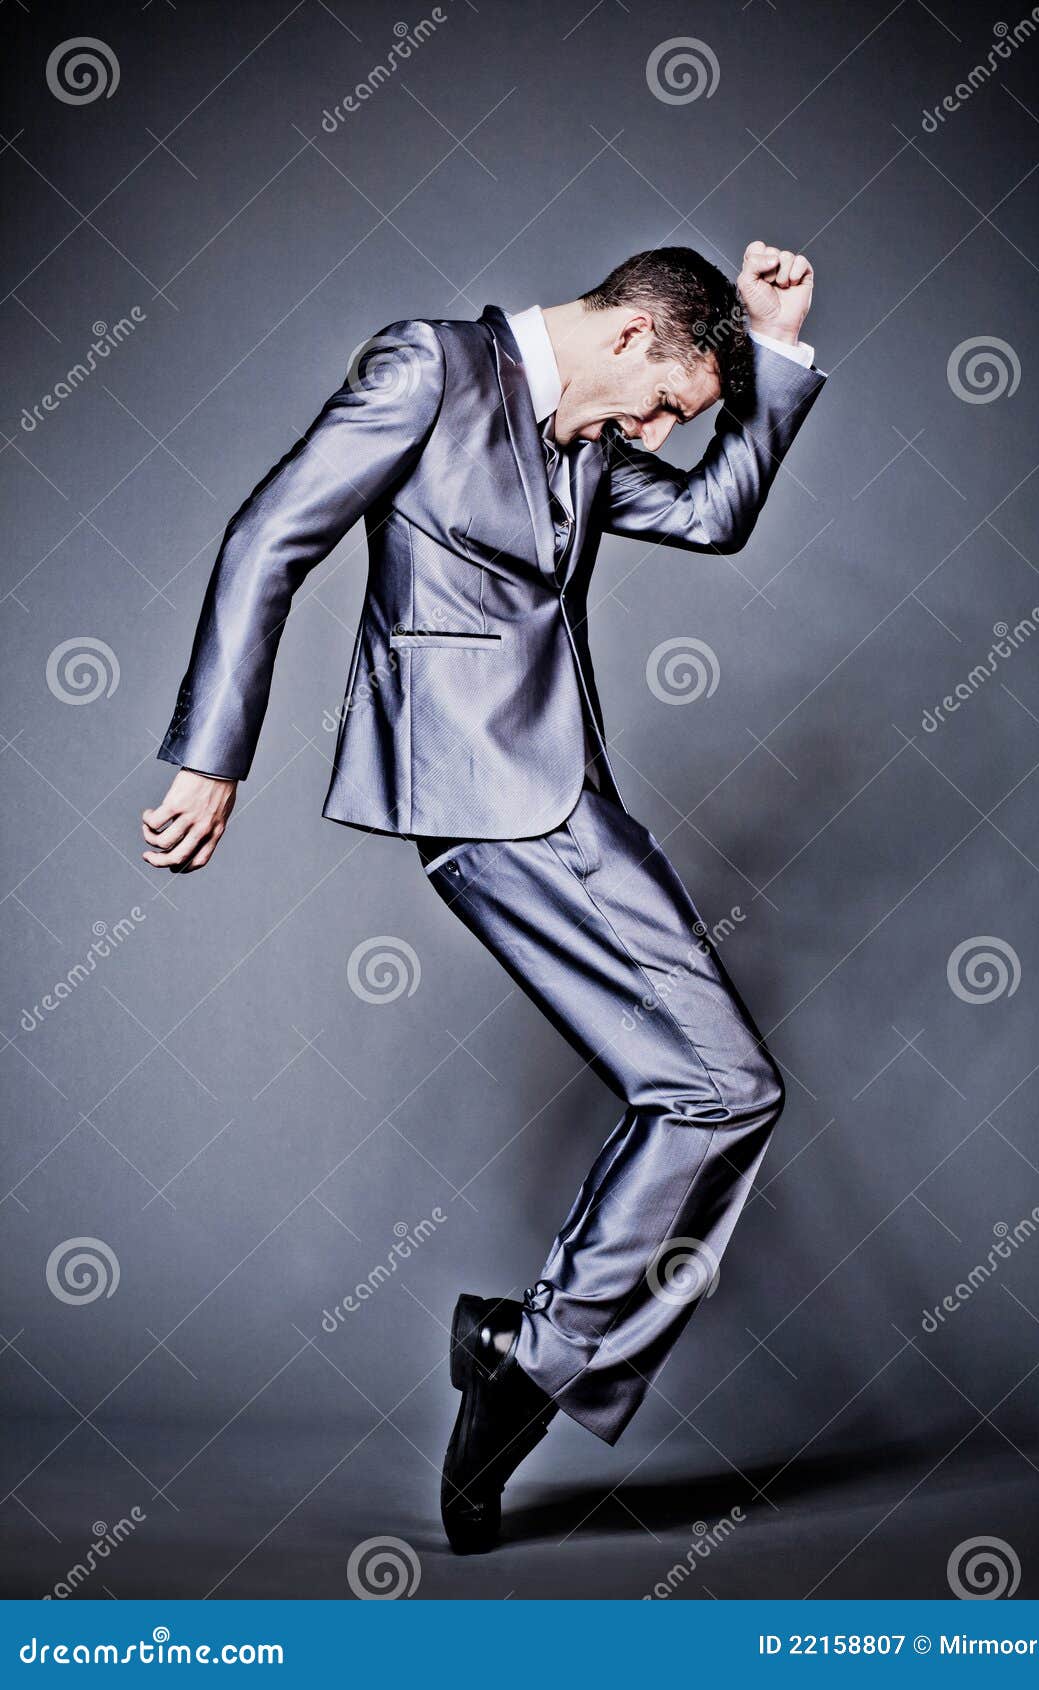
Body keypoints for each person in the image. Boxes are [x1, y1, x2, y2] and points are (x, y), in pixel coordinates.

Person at [144, 242, 825, 1553]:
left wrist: (776, 351)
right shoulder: (429, 371)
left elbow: (712, 514)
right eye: (672, 404)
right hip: (486, 808)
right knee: (722, 1083)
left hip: (568, 803)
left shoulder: (583, 437)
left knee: (713, 1087)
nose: (660, 432)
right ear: (636, 337)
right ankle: (531, 1353)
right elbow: (270, 536)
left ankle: (522, 1357)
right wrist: (212, 754)